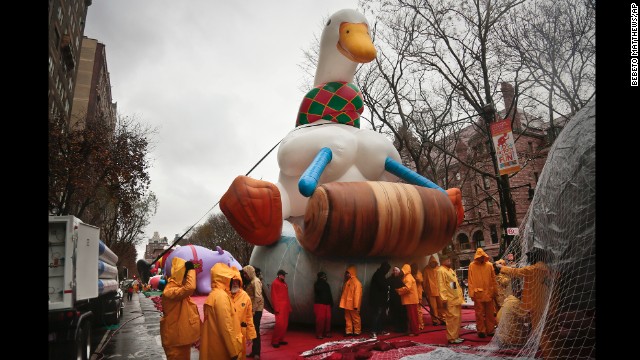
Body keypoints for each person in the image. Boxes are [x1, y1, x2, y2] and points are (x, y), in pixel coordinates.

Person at [495, 247, 554, 333]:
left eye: (530, 257)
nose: (529, 260)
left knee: (538, 327)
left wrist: (501, 268)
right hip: (546, 301)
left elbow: (516, 272)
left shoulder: (533, 269)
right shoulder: (546, 268)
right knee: (546, 324)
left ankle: (541, 344)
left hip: (536, 302)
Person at [159, 257, 201, 359]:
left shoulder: (177, 289)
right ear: (181, 275)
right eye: (186, 275)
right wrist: (191, 270)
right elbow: (190, 287)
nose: (188, 278)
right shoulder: (170, 291)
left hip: (181, 339)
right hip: (175, 341)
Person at [200, 262, 243, 360]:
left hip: (215, 346)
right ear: (225, 279)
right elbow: (226, 326)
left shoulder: (214, 295)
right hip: (222, 350)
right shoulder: (221, 297)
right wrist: (233, 351)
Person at [468, 247, 497, 338]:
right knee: (479, 313)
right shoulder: (472, 265)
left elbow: (493, 279)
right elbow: (470, 280)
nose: (481, 258)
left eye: (482, 256)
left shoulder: (489, 265)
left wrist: (495, 291)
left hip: (488, 293)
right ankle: (481, 330)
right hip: (478, 294)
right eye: (479, 256)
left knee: (490, 313)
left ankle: (490, 330)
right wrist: (471, 293)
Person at [437, 254, 465, 345]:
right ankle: (452, 338)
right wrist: (444, 299)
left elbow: (452, 285)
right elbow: (441, 286)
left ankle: (455, 336)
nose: (449, 261)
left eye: (449, 260)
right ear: (443, 261)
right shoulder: (441, 271)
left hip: (455, 299)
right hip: (449, 300)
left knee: (456, 318)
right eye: (447, 260)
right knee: (451, 320)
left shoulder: (450, 270)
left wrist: (457, 294)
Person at [231, 268, 257, 360]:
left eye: (237, 281)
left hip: (241, 334)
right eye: (233, 281)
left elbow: (249, 317)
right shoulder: (224, 296)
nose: (235, 283)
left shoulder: (245, 297)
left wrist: (250, 336)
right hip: (228, 335)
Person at [243, 265, 263, 359]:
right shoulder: (252, 281)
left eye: (245, 273)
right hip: (253, 309)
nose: (244, 275)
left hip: (256, 310)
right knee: (253, 330)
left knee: (256, 330)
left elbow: (258, 297)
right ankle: (254, 351)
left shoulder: (256, 281)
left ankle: (257, 353)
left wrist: (253, 310)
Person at [395, 264, 420, 336]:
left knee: (413, 317)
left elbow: (407, 288)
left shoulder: (408, 277)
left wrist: (398, 290)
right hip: (410, 300)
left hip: (410, 300)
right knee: (413, 316)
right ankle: (414, 330)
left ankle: (415, 331)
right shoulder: (408, 277)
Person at [339, 265, 363, 336]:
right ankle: (348, 331)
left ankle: (357, 331)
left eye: (348, 273)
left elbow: (357, 295)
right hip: (347, 305)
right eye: (347, 273)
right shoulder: (348, 282)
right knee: (347, 318)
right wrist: (343, 304)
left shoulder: (357, 283)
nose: (347, 274)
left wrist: (356, 305)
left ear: (352, 273)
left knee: (355, 319)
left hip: (353, 305)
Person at [369, 261, 391, 338]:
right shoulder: (379, 275)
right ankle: (373, 331)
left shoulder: (379, 274)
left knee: (381, 315)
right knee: (377, 315)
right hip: (377, 300)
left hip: (380, 300)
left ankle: (379, 330)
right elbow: (383, 285)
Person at [270, 269, 292, 348]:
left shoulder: (284, 283)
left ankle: (280, 339)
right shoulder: (275, 283)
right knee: (279, 324)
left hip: (285, 307)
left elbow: (286, 296)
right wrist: (276, 308)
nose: (284, 276)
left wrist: (289, 307)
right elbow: (274, 297)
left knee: (284, 324)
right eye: (282, 275)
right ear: (279, 275)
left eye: (284, 275)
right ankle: (275, 341)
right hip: (279, 308)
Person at [422, 256, 444, 325]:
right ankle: (435, 320)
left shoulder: (439, 269)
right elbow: (424, 281)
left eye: (434, 263)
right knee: (433, 307)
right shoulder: (426, 270)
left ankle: (443, 319)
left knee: (441, 306)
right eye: (432, 263)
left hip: (439, 291)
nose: (433, 264)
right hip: (430, 292)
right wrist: (424, 290)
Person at [313, 271, 334, 339]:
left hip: (327, 304)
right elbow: (318, 290)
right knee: (320, 320)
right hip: (319, 304)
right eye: (323, 276)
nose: (325, 277)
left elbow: (329, 294)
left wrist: (331, 302)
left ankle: (327, 332)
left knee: (328, 319)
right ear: (320, 277)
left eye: (325, 276)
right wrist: (321, 281)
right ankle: (319, 334)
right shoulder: (317, 284)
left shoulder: (327, 284)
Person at [387, 266, 407, 333]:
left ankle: (401, 327)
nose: (395, 272)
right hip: (393, 299)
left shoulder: (401, 279)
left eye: (396, 270)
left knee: (401, 314)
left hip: (400, 299)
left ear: (399, 272)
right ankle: (397, 327)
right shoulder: (390, 279)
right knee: (394, 313)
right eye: (394, 270)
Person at [411, 263, 425, 330]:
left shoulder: (418, 273)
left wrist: (415, 277)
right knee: (414, 311)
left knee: (419, 310)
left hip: (418, 294)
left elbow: (421, 280)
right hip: (412, 295)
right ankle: (416, 324)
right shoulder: (410, 274)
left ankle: (420, 324)